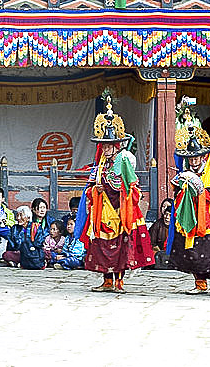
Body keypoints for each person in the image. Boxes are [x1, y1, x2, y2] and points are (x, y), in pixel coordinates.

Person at [77, 96, 155, 292]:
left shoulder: (124, 162)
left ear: (117, 145)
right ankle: (107, 281)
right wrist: (96, 190)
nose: (105, 148)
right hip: (102, 213)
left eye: (109, 145)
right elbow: (90, 187)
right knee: (102, 246)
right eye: (103, 145)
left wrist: (112, 187)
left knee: (119, 247)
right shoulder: (100, 165)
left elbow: (131, 188)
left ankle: (119, 281)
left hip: (120, 211)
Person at [167, 102, 210, 294]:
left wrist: (202, 191)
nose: (194, 161)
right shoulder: (183, 173)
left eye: (197, 157)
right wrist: (185, 190)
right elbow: (175, 192)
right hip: (190, 216)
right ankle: (199, 284)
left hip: (209, 216)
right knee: (193, 253)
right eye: (191, 158)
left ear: (203, 157)